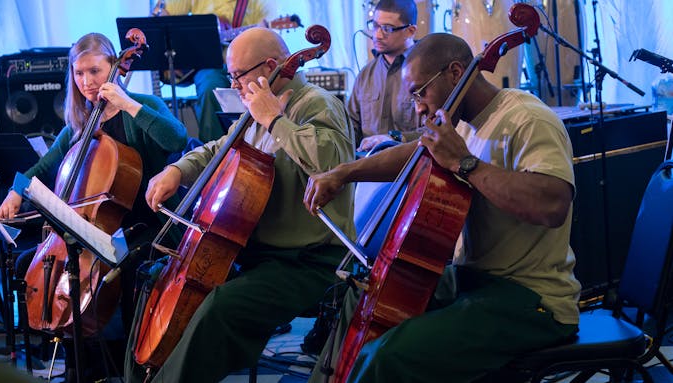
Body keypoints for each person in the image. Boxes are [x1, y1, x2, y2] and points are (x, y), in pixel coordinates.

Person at [304, 33, 581, 383]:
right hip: (475, 281)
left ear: (455, 72)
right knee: (364, 297)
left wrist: (465, 163)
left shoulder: (528, 119)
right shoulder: (459, 119)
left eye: (420, 91)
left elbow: (553, 204)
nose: (418, 106)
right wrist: (343, 173)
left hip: (530, 298)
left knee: (390, 355)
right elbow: (417, 152)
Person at [124, 27, 355, 383]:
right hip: (258, 253)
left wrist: (275, 120)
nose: (233, 85)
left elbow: (331, 164)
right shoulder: (255, 110)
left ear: (270, 66)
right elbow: (220, 147)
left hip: (309, 261)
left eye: (237, 76)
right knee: (153, 274)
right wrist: (176, 169)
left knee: (221, 307)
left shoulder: (317, 102)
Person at [0, 32, 188, 382]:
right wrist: (16, 191)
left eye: (95, 71)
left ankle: (124, 363)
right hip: (97, 229)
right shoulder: (81, 124)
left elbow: (176, 139)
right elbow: (42, 168)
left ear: (116, 67)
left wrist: (129, 104)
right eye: (79, 73)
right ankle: (80, 364)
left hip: (147, 225)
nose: (87, 82)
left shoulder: (141, 106)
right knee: (31, 262)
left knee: (118, 271)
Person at [154, 0, 270, 143]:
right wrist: (179, 52)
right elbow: (165, 19)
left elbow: (266, 42)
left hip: (245, 65)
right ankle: (213, 154)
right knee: (210, 86)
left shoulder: (257, 3)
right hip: (207, 65)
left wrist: (262, 32)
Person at [352, 0, 420, 152]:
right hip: (367, 166)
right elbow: (351, 127)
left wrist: (395, 138)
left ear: (410, 31)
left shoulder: (429, 71)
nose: (377, 35)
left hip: (411, 166)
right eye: (375, 25)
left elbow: (436, 132)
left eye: (387, 29)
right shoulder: (365, 74)